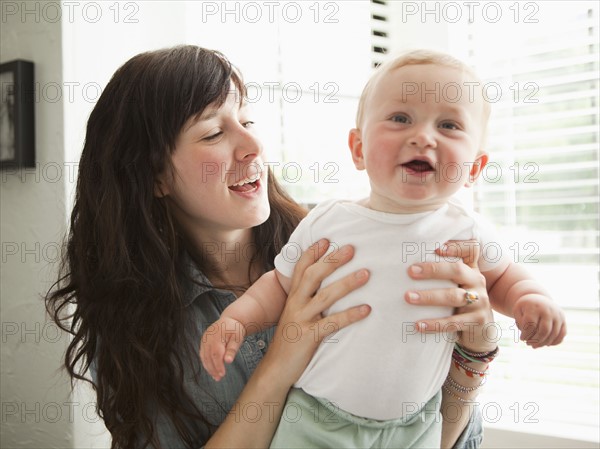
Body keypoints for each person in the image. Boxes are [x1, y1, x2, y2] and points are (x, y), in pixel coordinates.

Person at [46, 45, 502, 449]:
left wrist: (473, 359)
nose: (253, 145)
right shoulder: (141, 321)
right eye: (212, 133)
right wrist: (283, 358)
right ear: (156, 176)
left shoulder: (340, 245)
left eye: (246, 121)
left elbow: (433, 437)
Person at [200, 50, 567, 448]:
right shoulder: (328, 221)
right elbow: (279, 286)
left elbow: (505, 280)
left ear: (475, 168)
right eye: (400, 118)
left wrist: (532, 300)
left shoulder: (467, 229)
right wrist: (236, 320)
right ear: (358, 149)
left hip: (416, 419)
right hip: (318, 418)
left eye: (448, 125)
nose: (423, 136)